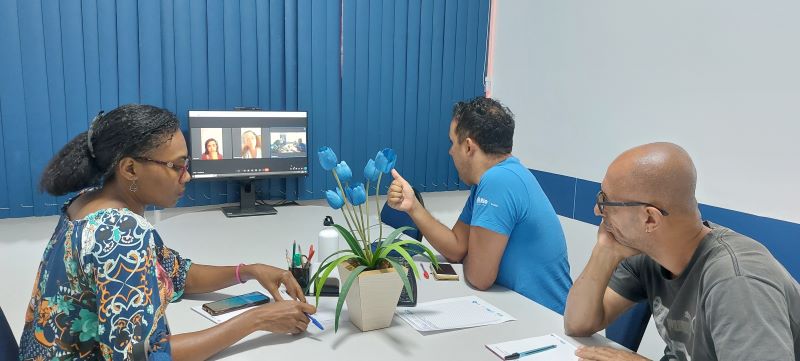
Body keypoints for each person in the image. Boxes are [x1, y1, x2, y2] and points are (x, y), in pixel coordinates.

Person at [21, 104, 316, 360]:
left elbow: (173, 273)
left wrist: (247, 270)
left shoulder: (87, 202)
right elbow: (145, 356)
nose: (186, 176)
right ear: (130, 169)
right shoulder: (121, 234)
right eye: (176, 166)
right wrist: (257, 319)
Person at [563, 142, 800, 361]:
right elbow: (578, 325)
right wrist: (604, 251)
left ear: (649, 218)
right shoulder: (647, 255)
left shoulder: (738, 281)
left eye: (606, 202)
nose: (597, 210)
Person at [387, 96, 572, 314]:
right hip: (519, 309)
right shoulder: (490, 180)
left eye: (452, 142)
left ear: (468, 147)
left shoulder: (499, 181)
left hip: (545, 319)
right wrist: (413, 207)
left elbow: (479, 277)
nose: (450, 151)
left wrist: (471, 255)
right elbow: (456, 249)